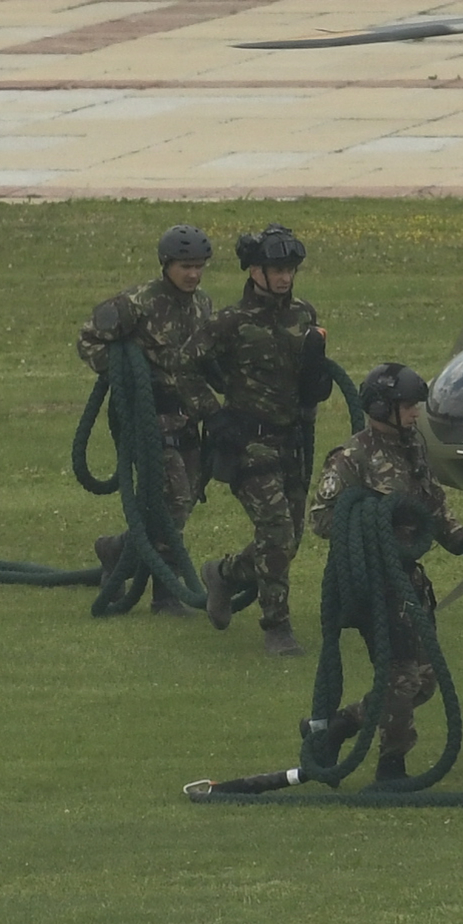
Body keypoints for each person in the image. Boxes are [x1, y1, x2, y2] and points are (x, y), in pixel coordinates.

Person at [306, 361, 463, 786]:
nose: (415, 414)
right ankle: (392, 765)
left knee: (424, 682)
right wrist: (373, 514)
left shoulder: (414, 448)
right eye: (408, 406)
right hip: (376, 582)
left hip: (409, 580)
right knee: (401, 676)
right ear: (382, 406)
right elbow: (322, 520)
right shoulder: (351, 457)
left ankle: (343, 725)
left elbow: (430, 504)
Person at [197, 223, 335, 657]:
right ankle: (277, 626)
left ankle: (224, 573)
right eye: (275, 269)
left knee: (288, 539)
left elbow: (310, 375)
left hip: (290, 441)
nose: (284, 277)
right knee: (275, 531)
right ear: (254, 271)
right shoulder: (229, 323)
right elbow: (184, 365)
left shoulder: (303, 316)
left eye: (290, 269)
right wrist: (212, 412)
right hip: (248, 445)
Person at [74, 223, 218, 614]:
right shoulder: (137, 303)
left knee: (181, 504)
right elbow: (88, 338)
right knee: (171, 504)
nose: (193, 274)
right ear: (166, 264)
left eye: (199, 266)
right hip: (151, 420)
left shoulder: (203, 305)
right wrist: (121, 371)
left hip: (189, 419)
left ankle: (116, 550)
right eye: (185, 266)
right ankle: (166, 594)